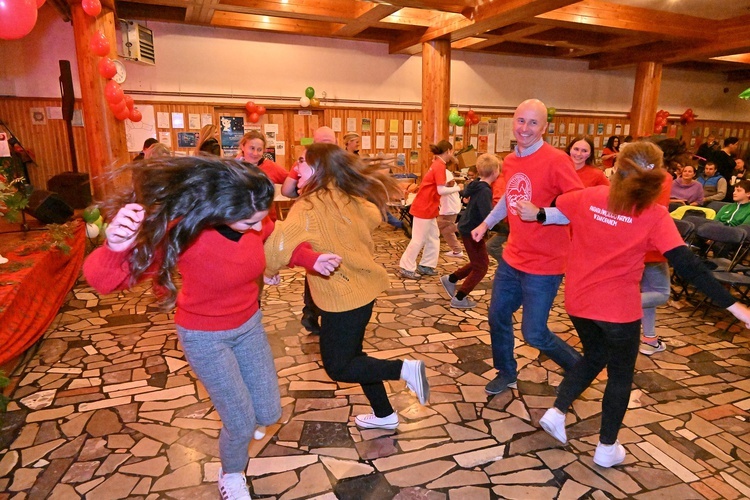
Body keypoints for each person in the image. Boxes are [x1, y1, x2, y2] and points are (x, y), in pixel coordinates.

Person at [527, 141, 750, 468]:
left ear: (617, 170)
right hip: (618, 311)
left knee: (595, 355)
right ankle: (606, 448)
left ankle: (557, 412)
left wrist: (542, 212)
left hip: (578, 302)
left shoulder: (588, 197)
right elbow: (689, 266)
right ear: (658, 178)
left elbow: (557, 203)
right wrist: (735, 307)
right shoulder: (655, 216)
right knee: (620, 376)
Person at [82, 157, 287, 499]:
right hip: (206, 337)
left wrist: (309, 257)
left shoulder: (253, 219)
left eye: (261, 218)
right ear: (220, 210)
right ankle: (232, 473)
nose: (258, 228)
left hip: (249, 326)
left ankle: (242, 431)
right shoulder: (183, 232)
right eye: (249, 222)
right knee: (239, 422)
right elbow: (104, 281)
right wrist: (115, 247)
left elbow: (275, 238)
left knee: (268, 412)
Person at [264, 143, 430, 430]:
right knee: (354, 356)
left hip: (343, 296)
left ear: (319, 169)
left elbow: (277, 246)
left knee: (339, 366)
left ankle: (404, 369)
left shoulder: (308, 206)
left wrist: (269, 270)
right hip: (362, 291)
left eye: (302, 161)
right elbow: (373, 215)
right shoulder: (345, 196)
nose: (296, 167)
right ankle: (384, 414)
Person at [471, 99, 584, 395]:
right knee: (497, 316)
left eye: (533, 123)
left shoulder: (557, 160)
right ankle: (506, 371)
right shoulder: (510, 160)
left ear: (544, 127)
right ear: (513, 121)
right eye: (521, 121)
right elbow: (510, 197)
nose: (525, 128)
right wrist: (486, 223)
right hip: (513, 257)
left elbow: (580, 207)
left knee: (534, 333)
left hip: (545, 264)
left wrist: (543, 213)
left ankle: (581, 370)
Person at [280, 126, 337, 335]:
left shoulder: (303, 161)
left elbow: (286, 190)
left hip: (311, 221)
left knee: (315, 264)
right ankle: (325, 312)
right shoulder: (340, 163)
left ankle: (311, 313)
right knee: (330, 264)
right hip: (332, 223)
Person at [441, 154, 499, 309]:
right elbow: (487, 214)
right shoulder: (485, 191)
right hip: (473, 231)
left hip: (468, 229)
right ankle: (460, 297)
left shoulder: (476, 185)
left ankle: (452, 279)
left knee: (478, 262)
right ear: (495, 171)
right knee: (481, 266)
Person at [398, 140, 453, 279]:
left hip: (428, 207)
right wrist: (457, 188)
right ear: (449, 151)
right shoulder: (439, 166)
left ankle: (426, 264)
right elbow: (440, 190)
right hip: (425, 207)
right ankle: (406, 267)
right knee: (419, 239)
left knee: (433, 237)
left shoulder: (437, 164)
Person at [438, 164, 464, 259]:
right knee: (446, 231)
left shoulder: (445, 173)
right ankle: (457, 250)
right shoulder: (442, 172)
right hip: (449, 207)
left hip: (449, 208)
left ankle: (464, 225)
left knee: (436, 227)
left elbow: (451, 183)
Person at [713, 137, 740, 201]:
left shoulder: (730, 155)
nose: (736, 147)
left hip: (728, 179)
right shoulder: (719, 154)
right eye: (736, 144)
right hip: (721, 179)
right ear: (730, 145)